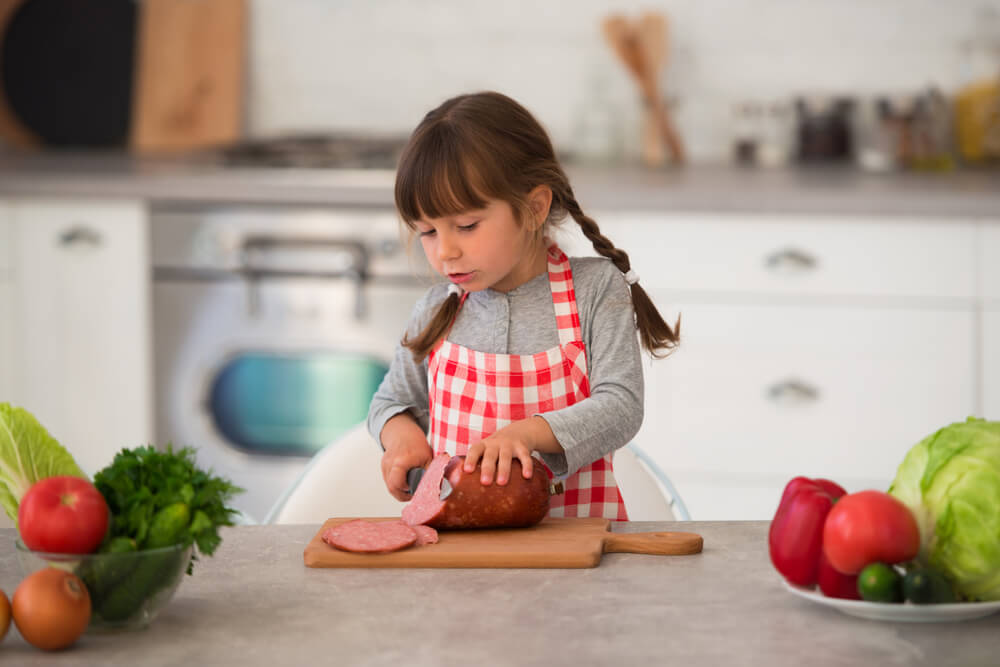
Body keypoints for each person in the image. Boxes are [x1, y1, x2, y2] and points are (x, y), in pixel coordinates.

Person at [367, 91, 679, 520]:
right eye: (427, 232)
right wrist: (401, 436)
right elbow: (390, 401)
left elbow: (622, 406)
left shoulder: (593, 290)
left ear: (534, 208)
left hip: (576, 556)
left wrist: (529, 434)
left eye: (466, 226)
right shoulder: (436, 309)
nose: (445, 253)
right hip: (458, 564)